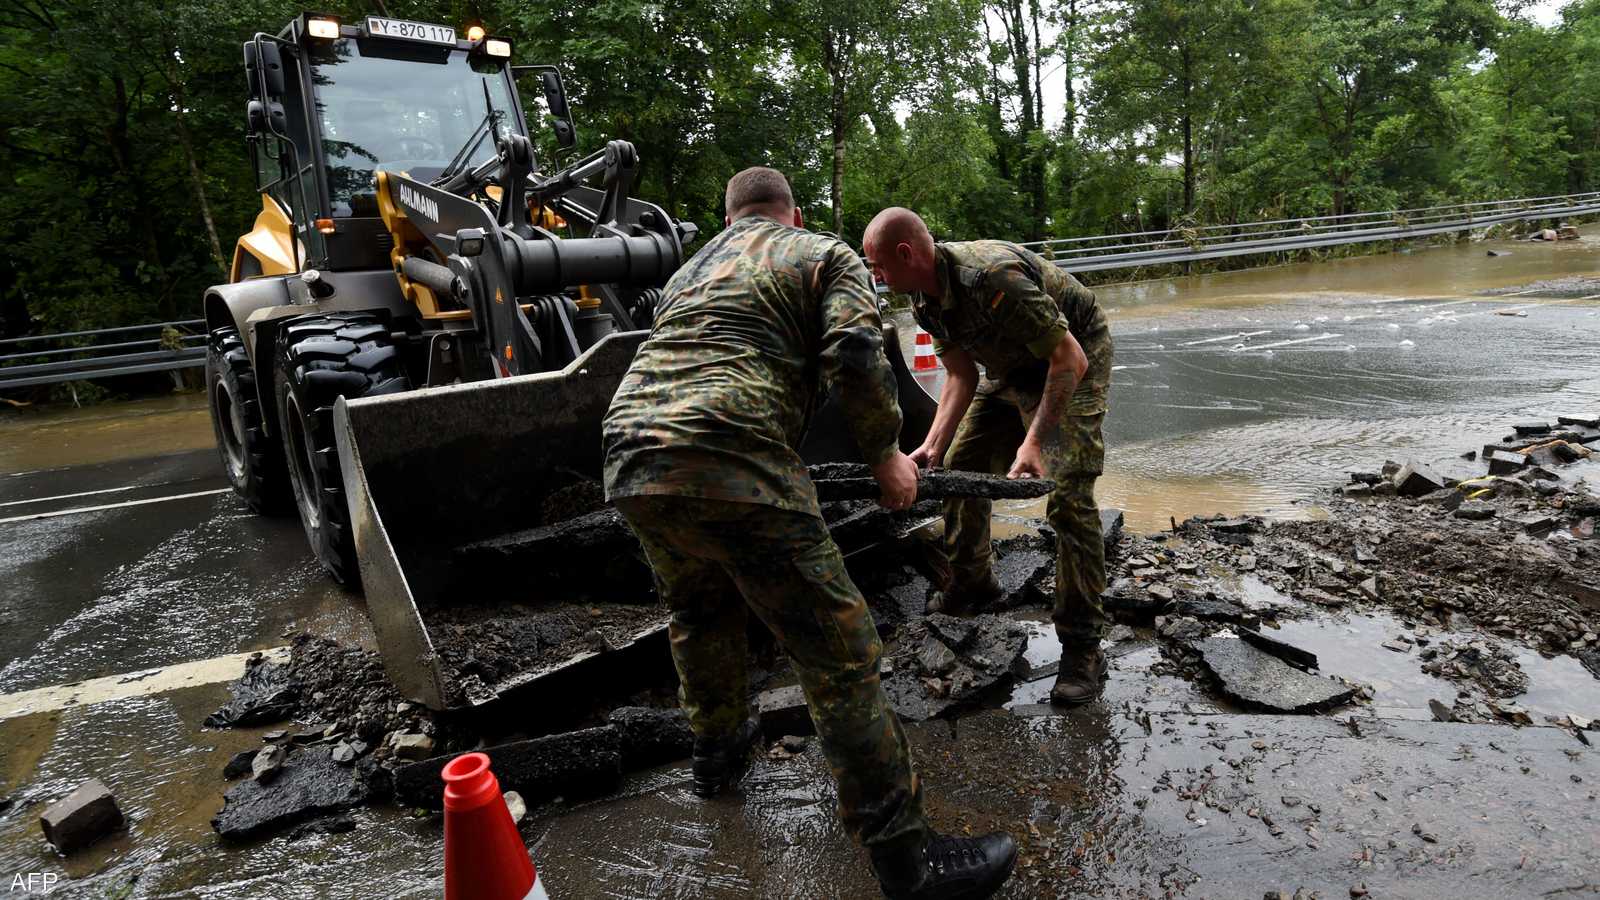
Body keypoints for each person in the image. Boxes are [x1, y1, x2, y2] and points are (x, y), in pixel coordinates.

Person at [603, 169, 1017, 898]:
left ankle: (718, 759)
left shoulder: (688, 270)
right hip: (733, 450)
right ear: (792, 213)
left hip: (631, 453)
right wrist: (886, 453)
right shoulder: (820, 253)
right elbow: (856, 353)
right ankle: (907, 859)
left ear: (727, 218)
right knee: (840, 652)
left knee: (698, 611)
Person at [862, 207, 1114, 706]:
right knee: (959, 473)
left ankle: (1082, 647)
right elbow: (960, 374)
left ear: (907, 254)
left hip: (1071, 362)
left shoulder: (993, 278)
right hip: (1008, 370)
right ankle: (972, 584)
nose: (875, 276)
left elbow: (1069, 358)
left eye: (877, 265)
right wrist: (934, 441)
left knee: (1068, 499)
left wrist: (1034, 442)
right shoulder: (923, 300)